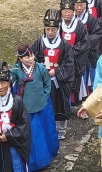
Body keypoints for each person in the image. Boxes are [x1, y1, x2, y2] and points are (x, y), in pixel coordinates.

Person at [10, 45, 59, 172]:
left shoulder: (40, 68)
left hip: (42, 104)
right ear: (20, 59)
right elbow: (10, 80)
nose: (31, 59)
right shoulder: (16, 69)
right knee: (33, 134)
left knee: (46, 129)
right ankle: (34, 161)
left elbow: (47, 83)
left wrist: (44, 95)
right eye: (27, 57)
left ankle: (48, 154)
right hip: (26, 107)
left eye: (31, 56)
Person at [31, 9, 75, 140]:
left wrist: (55, 71)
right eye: (48, 29)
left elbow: (69, 63)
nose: (50, 32)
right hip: (43, 81)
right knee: (45, 105)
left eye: (53, 29)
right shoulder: (39, 43)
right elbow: (31, 60)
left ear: (58, 28)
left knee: (60, 104)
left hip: (59, 81)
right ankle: (47, 128)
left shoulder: (64, 44)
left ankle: (61, 129)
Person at [73, 0, 102, 98]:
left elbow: (97, 33)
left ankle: (92, 92)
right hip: (74, 51)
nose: (79, 8)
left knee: (90, 71)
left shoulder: (89, 18)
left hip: (88, 51)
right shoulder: (70, 20)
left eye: (81, 5)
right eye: (76, 5)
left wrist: (85, 42)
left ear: (85, 6)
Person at [59, 0, 90, 104]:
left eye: (69, 11)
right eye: (65, 11)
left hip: (75, 60)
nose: (67, 13)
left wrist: (71, 51)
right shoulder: (58, 25)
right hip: (61, 60)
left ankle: (75, 102)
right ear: (61, 12)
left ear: (73, 12)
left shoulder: (79, 25)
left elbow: (85, 43)